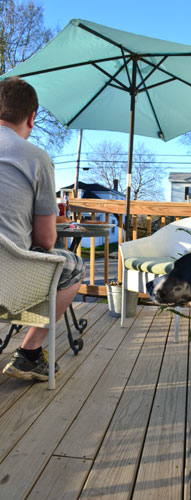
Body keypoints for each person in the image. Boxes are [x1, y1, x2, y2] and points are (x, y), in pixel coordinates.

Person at [0, 77, 85, 382]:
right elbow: (46, 239)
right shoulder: (36, 158)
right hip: (8, 284)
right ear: (31, 117)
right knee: (72, 265)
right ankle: (29, 352)